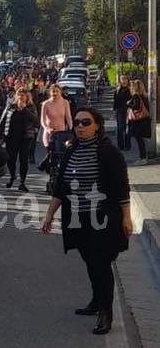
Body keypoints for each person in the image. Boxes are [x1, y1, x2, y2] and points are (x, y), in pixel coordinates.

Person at [41, 106, 131, 335]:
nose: (80, 126)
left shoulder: (108, 153)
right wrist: (49, 214)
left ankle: (105, 312)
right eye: (77, 123)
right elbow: (60, 186)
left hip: (102, 218)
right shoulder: (71, 151)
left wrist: (126, 217)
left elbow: (121, 188)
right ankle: (95, 300)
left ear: (97, 126)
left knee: (100, 263)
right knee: (90, 261)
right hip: (77, 218)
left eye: (86, 122)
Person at [0, 89, 38, 191]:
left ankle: (22, 182)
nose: (21, 97)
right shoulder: (10, 106)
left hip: (25, 138)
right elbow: (2, 121)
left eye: (23, 95)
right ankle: (12, 176)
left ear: (27, 97)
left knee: (23, 160)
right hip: (11, 137)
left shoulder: (30, 107)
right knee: (11, 159)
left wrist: (25, 109)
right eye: (19, 95)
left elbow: (36, 121)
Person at [39, 83, 73, 169]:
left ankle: (59, 172)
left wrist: (71, 128)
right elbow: (42, 121)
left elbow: (68, 117)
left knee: (60, 156)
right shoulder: (45, 104)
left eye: (57, 91)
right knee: (51, 154)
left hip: (61, 134)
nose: (55, 93)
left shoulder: (65, 103)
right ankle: (48, 169)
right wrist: (47, 128)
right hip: (50, 134)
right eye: (53, 91)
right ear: (50, 92)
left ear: (60, 92)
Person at [129, 79, 151, 160]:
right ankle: (145, 156)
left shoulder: (136, 96)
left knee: (140, 140)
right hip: (145, 119)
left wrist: (128, 104)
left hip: (139, 121)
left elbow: (136, 106)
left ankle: (143, 157)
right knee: (144, 140)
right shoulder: (144, 95)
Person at [113, 74, 133, 152]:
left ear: (128, 80)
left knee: (127, 129)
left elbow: (133, 100)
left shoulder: (130, 89)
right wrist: (114, 111)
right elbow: (115, 101)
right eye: (122, 79)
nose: (124, 80)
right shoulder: (117, 90)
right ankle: (120, 146)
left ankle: (127, 145)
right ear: (120, 81)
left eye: (125, 79)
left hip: (128, 111)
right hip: (119, 111)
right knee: (120, 129)